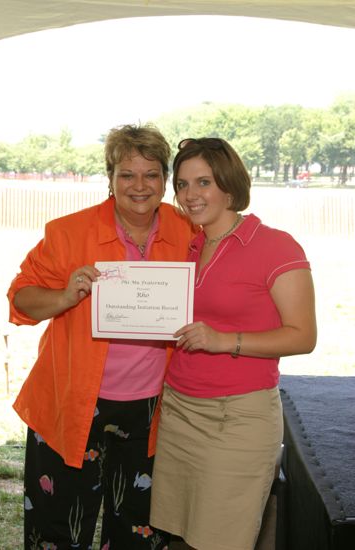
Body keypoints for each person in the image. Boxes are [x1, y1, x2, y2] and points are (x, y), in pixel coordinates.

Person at [7, 124, 196, 550]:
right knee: (59, 529)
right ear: (109, 178)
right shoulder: (68, 233)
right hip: (71, 403)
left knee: (137, 529)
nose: (139, 186)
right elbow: (20, 300)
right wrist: (64, 295)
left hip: (151, 409)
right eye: (127, 174)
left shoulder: (189, 234)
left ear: (165, 180)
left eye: (151, 174)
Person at [150, 137, 317, 550]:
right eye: (183, 185)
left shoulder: (275, 246)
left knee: (221, 539)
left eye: (203, 182)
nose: (191, 195)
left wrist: (224, 340)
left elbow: (304, 336)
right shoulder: (190, 246)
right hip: (179, 411)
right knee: (181, 535)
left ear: (229, 185)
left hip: (238, 418)